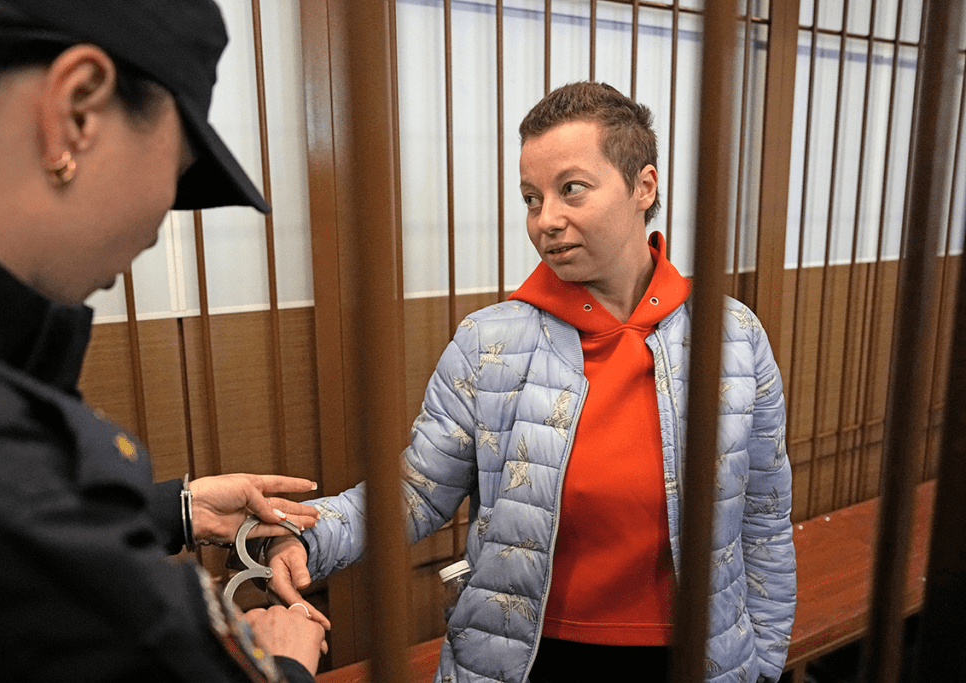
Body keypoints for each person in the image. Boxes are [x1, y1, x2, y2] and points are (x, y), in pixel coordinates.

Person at [268, 82, 796, 683]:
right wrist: (309, 538)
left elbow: (763, 518)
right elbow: (416, 490)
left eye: (571, 189)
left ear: (643, 187)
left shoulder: (731, 337)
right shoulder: (489, 343)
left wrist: (765, 662)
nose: (546, 220)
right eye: (530, 197)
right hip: (528, 659)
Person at [0, 0, 327, 681]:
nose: (156, 230)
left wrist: (173, 507)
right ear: (78, 109)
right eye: (178, 171)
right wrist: (280, 664)